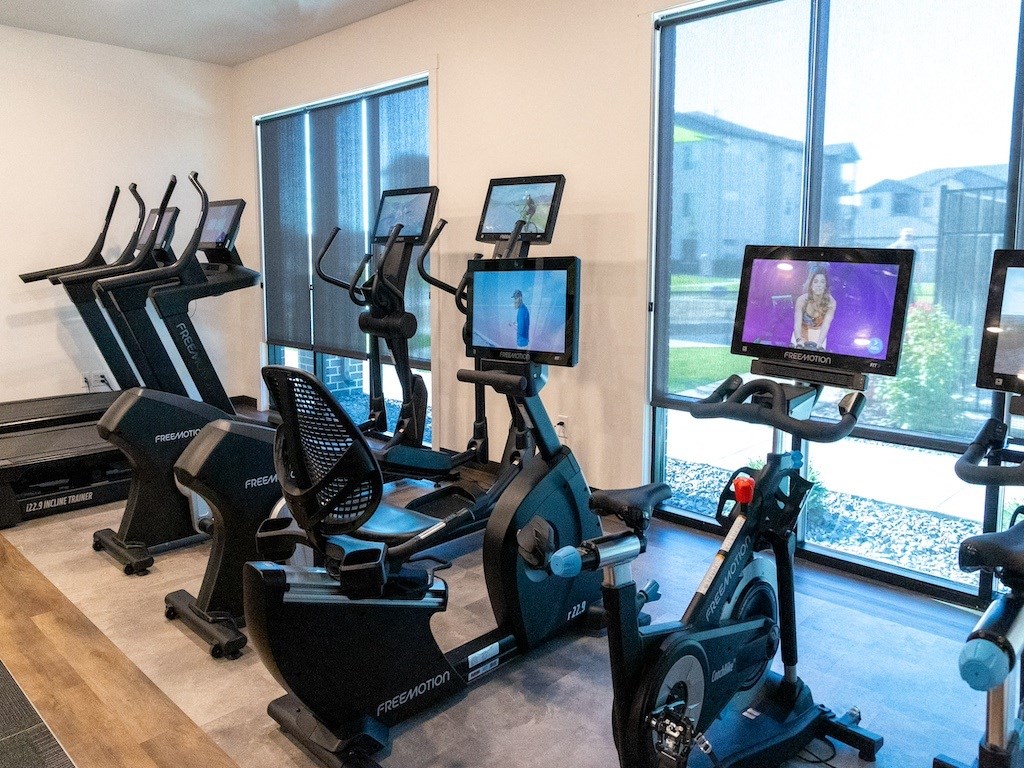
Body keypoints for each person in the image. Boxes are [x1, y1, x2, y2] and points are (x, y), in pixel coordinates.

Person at [792, 267, 836, 350]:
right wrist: (798, 340)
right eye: (816, 282)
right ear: (811, 285)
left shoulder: (831, 303)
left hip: (819, 333)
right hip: (801, 331)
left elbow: (826, 325)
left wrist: (820, 343)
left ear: (825, 286)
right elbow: (797, 323)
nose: (819, 285)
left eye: (822, 282)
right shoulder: (801, 300)